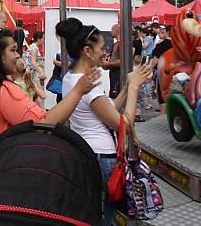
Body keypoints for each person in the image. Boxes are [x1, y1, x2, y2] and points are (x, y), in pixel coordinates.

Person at [0, 29, 100, 224]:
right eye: (13, 50)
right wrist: (78, 91)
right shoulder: (2, 90)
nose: (18, 55)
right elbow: (43, 124)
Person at [57, 18, 152, 226]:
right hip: (102, 158)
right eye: (101, 47)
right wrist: (135, 88)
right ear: (87, 51)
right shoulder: (86, 86)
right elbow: (123, 123)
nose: (105, 51)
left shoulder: (71, 78)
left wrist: (127, 87)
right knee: (102, 218)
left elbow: (107, 110)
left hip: (90, 153)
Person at [102, 23, 122, 98]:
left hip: (118, 74)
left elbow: (121, 61)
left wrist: (108, 64)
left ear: (117, 30)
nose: (110, 32)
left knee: (116, 96)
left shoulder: (121, 44)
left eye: (112, 30)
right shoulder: (115, 44)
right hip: (113, 74)